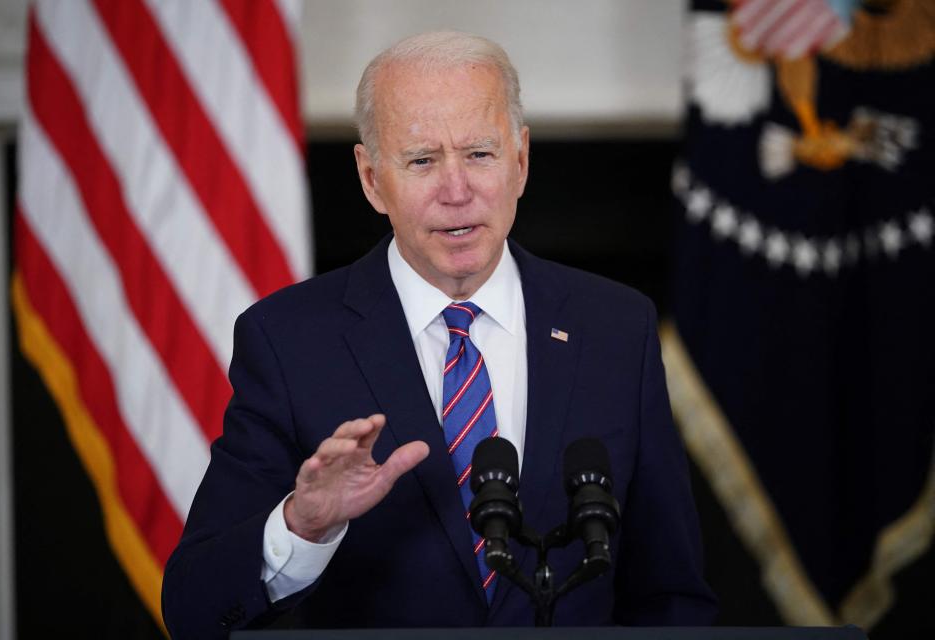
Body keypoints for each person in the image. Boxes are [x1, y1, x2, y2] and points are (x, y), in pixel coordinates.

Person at [161, 31, 717, 638]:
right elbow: (193, 607)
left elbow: (671, 594)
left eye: (480, 154)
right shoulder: (290, 341)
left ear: (521, 161)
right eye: (422, 160)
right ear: (372, 179)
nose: (457, 191)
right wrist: (301, 525)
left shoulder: (615, 328)